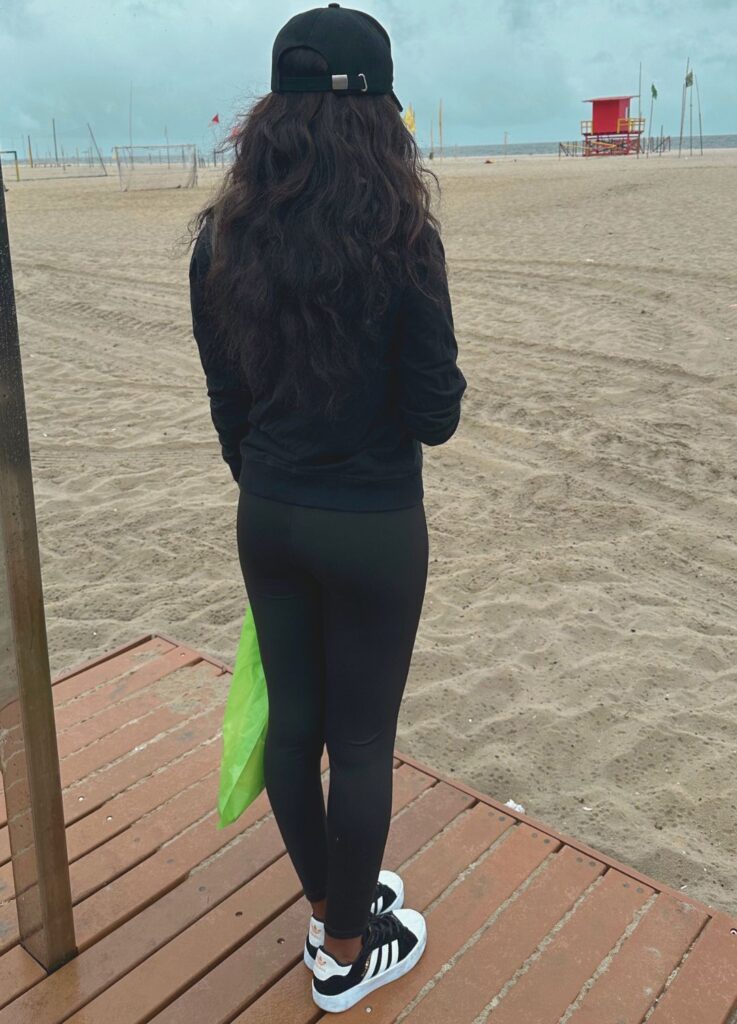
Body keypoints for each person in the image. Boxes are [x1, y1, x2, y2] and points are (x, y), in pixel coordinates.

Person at [189, 3, 467, 1013]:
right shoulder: (404, 240)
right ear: (381, 121)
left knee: (294, 724)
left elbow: (229, 404)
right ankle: (344, 950)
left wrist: (270, 473)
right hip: (374, 525)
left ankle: (332, 897)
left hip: (266, 511)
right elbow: (435, 414)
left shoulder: (221, 238)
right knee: (357, 742)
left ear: (271, 119)